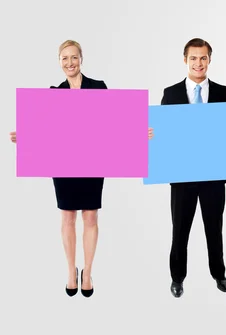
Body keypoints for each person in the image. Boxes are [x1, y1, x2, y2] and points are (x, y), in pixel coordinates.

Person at [8, 40, 154, 298]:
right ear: (59, 62)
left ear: (81, 59)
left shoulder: (98, 87)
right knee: (67, 217)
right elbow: (45, 129)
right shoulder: (54, 93)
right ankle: (69, 271)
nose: (69, 63)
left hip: (92, 161)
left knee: (90, 216)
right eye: (64, 58)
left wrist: (137, 132)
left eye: (73, 57)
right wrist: (25, 137)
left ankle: (87, 272)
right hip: (63, 163)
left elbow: (115, 122)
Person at [159, 38, 226, 298]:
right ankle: (177, 278)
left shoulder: (222, 92)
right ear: (185, 60)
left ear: (209, 60)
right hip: (182, 175)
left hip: (213, 174)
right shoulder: (171, 93)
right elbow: (163, 134)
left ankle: (219, 274)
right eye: (193, 58)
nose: (198, 63)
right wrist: (151, 134)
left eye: (203, 58)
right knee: (180, 229)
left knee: (214, 227)